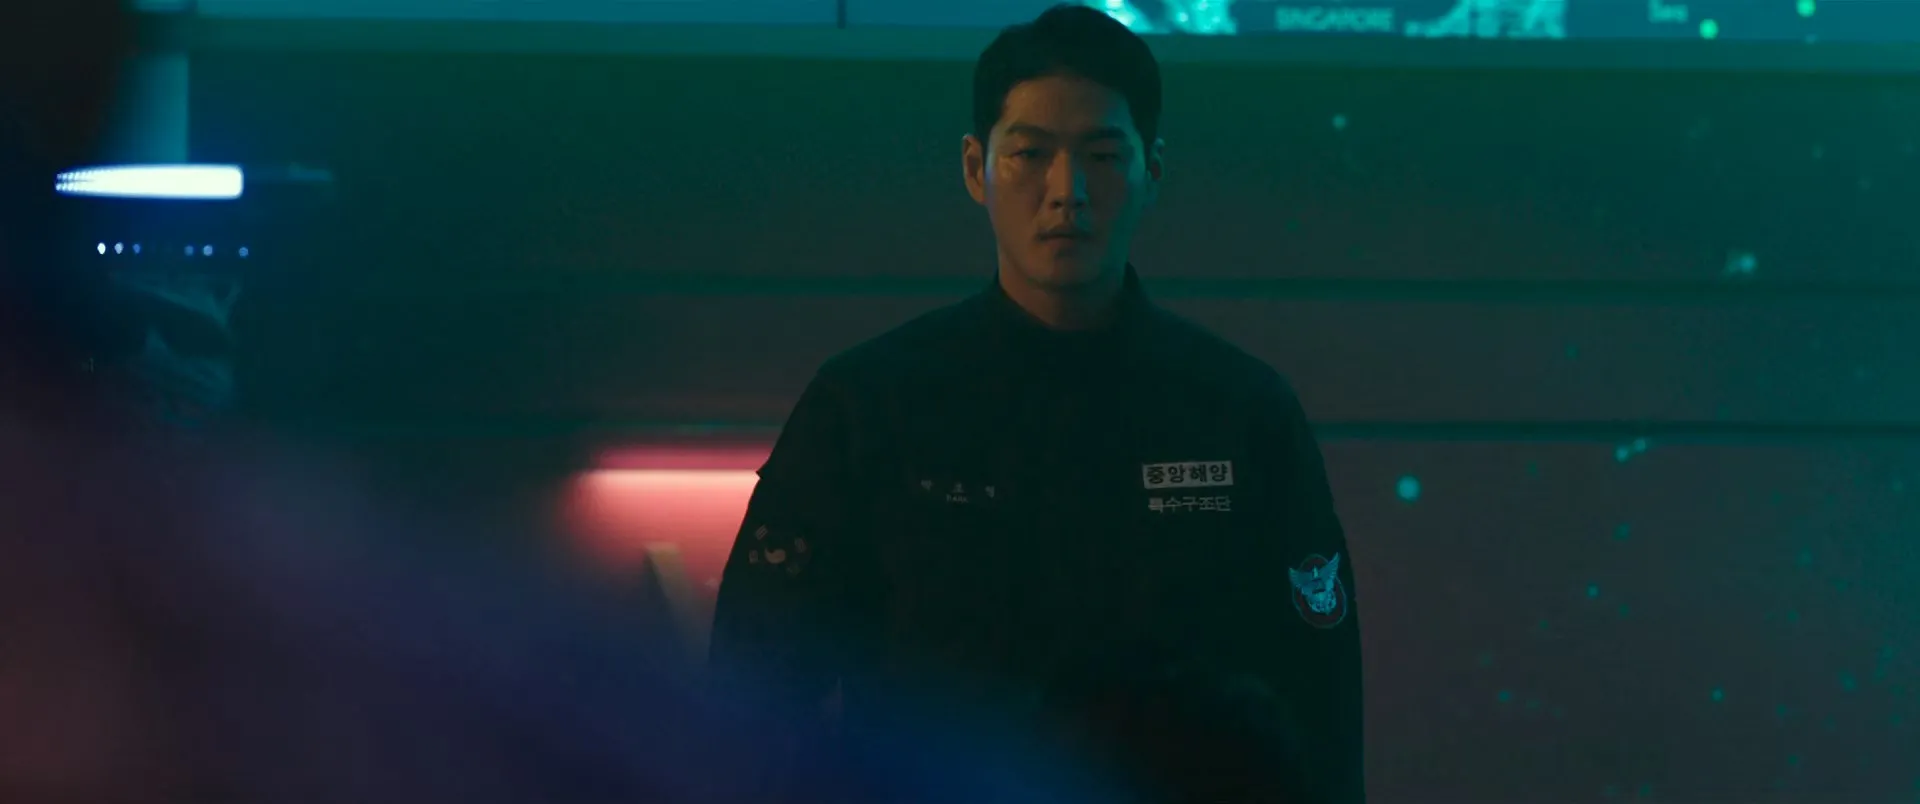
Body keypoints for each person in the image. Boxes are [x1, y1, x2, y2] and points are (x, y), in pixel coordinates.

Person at [708, 4, 1365, 802]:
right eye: (1030, 154)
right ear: (974, 168)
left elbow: (1319, 712)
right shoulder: (871, 403)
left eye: (1102, 156)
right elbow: (758, 694)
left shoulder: (1241, 412)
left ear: (1152, 172)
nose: (1067, 193)